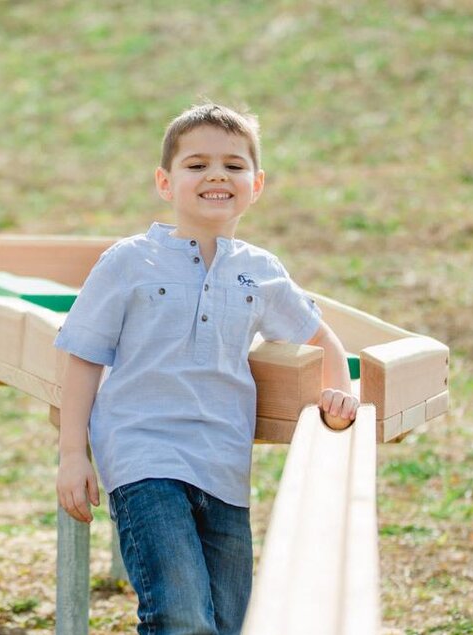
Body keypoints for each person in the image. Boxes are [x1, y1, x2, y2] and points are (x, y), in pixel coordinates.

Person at [54, 102, 360, 635]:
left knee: (228, 620)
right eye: (196, 165)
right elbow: (83, 358)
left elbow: (319, 337)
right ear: (165, 182)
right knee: (180, 614)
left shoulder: (260, 271)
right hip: (141, 455)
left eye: (234, 165)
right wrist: (72, 455)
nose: (217, 174)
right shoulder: (129, 261)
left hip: (223, 463)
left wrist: (341, 395)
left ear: (257, 184)